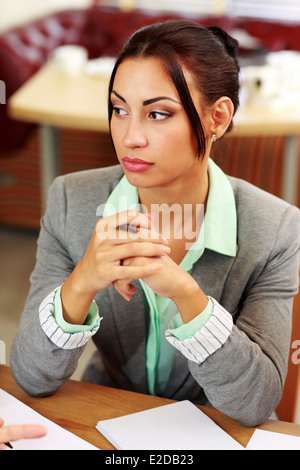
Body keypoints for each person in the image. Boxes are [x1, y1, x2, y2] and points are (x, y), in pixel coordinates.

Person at [11, 20, 300, 428]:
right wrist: (80, 283)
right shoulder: (70, 200)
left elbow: (255, 403)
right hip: (106, 415)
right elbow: (30, 376)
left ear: (217, 118)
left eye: (158, 114)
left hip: (217, 427)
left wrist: (186, 294)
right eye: (119, 109)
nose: (130, 137)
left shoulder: (277, 228)